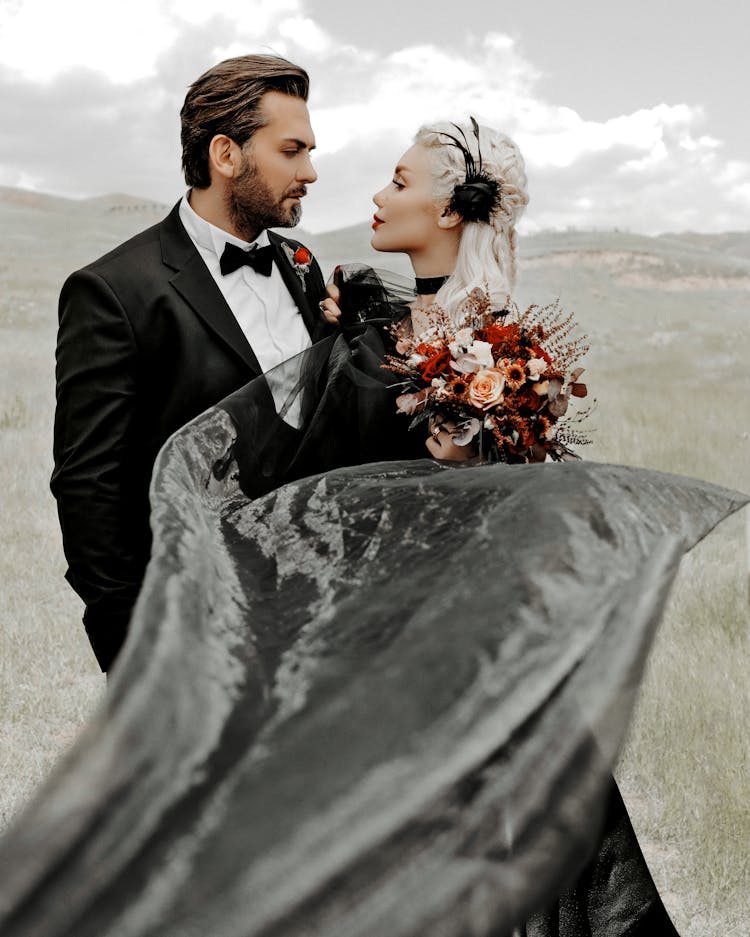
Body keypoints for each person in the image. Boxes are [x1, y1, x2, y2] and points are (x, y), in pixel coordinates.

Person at [2, 120, 744, 936]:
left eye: (397, 181)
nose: (372, 194)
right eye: (305, 153)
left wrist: (470, 465)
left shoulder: (505, 354)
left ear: (454, 210)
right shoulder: (370, 328)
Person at [50, 53, 331, 673]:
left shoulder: (303, 266)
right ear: (225, 155)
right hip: (195, 629)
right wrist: (132, 647)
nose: (310, 172)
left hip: (319, 616)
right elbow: (89, 485)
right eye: (292, 151)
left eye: (310, 151)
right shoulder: (116, 290)